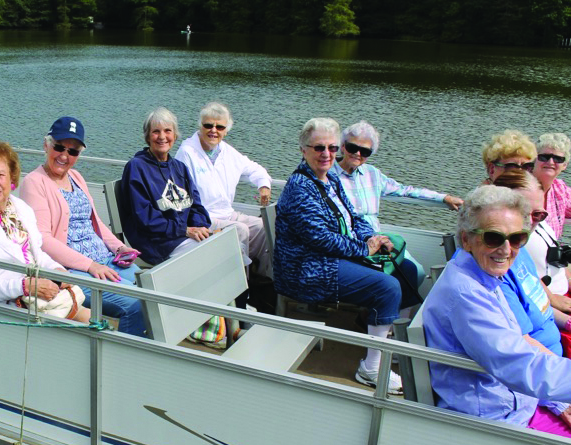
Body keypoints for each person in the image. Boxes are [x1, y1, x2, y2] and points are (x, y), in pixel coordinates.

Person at [273, 118, 421, 394]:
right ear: (303, 150)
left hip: (331, 258)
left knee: (408, 272)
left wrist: (371, 237)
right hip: (306, 269)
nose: (327, 154)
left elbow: (354, 218)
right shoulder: (300, 187)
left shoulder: (329, 179)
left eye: (331, 147)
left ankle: (387, 342)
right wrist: (365, 250)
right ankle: (371, 367)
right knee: (387, 287)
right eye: (319, 148)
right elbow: (319, 239)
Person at [424, 185, 571, 437]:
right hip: (499, 421)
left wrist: (558, 402)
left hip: (520, 404)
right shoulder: (467, 294)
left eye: (517, 239)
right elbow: (519, 366)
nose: (506, 249)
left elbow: (521, 349)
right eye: (493, 237)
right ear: (466, 239)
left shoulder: (485, 276)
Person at [20, 117, 145, 337]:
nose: (64, 156)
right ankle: (124, 361)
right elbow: (43, 240)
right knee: (134, 303)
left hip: (105, 261)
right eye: (59, 147)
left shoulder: (76, 177)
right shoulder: (34, 182)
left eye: (73, 151)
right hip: (74, 270)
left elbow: (94, 223)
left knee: (150, 291)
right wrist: (90, 266)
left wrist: (119, 248)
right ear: (46, 145)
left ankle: (146, 351)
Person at [0, 139, 89, 322]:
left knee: (95, 323)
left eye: (0, 175)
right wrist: (26, 286)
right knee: (89, 334)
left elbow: (37, 253)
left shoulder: (20, 208)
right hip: (0, 307)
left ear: (11, 178)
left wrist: (57, 270)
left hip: (34, 301)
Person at [330, 120, 462, 283]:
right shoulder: (326, 175)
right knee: (385, 281)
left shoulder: (373, 174)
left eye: (365, 151)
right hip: (351, 244)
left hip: (379, 241)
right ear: (342, 146)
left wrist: (444, 198)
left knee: (417, 273)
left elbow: (406, 191)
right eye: (352, 147)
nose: (357, 154)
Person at [175, 102, 272, 276]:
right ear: (200, 126)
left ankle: (265, 279)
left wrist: (264, 185)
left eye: (220, 127)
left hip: (226, 213)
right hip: (203, 217)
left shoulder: (227, 151)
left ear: (226, 130)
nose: (214, 130)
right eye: (208, 125)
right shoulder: (187, 152)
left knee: (265, 227)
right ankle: (242, 289)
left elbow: (254, 169)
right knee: (239, 229)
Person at [120, 107, 211, 265]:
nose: (162, 137)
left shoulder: (179, 167)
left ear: (175, 135)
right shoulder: (136, 167)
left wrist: (198, 227)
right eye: (156, 131)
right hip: (157, 242)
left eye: (167, 131)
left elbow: (196, 206)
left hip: (182, 234)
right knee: (211, 251)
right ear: (148, 136)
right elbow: (146, 219)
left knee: (234, 239)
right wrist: (184, 230)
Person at [495, 170, 571, 353]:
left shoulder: (520, 252)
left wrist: (568, 322)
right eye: (522, 212)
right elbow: (522, 343)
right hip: (545, 365)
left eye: (539, 214)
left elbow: (540, 307)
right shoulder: (495, 268)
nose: (530, 221)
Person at [532, 132, 571, 237]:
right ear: (535, 159)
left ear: (564, 165)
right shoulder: (520, 186)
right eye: (545, 157)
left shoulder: (560, 189)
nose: (550, 162)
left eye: (558, 159)